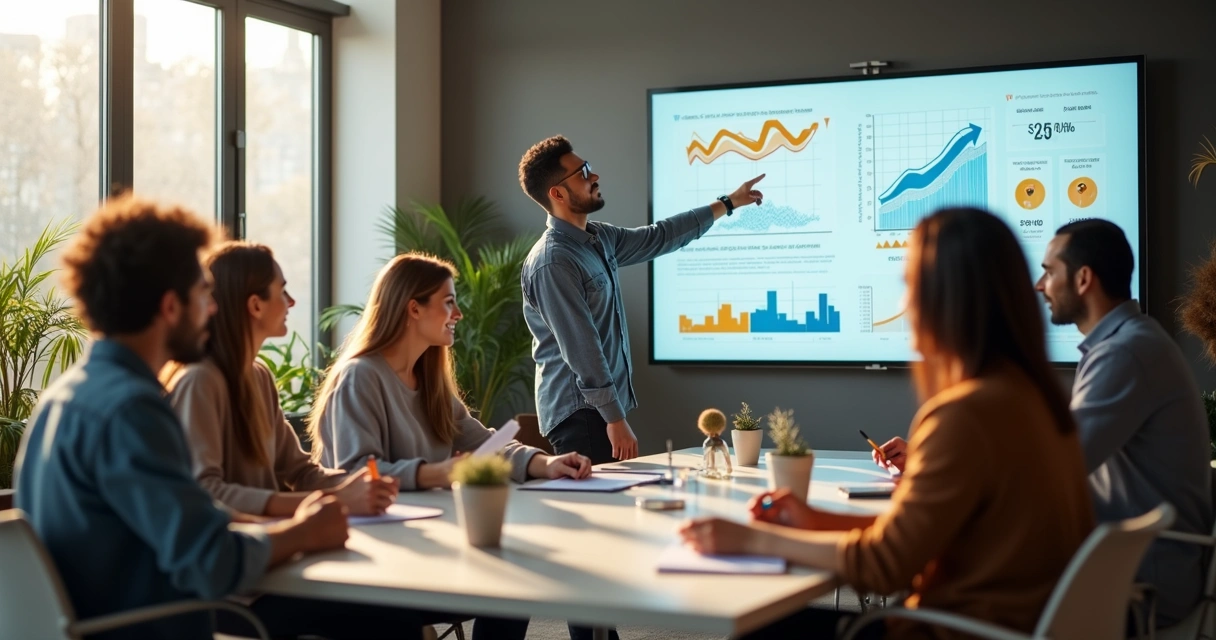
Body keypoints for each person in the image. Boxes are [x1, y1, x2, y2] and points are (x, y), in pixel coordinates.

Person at [681, 208, 1094, 639]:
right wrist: (813, 518)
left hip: (955, 631)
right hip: (1011, 626)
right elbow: (917, 537)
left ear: (945, 298)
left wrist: (748, 540)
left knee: (755, 626)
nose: (903, 305)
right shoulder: (1034, 400)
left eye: (909, 287)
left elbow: (885, 566)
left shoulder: (965, 414)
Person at [12, 196, 412, 640]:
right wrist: (300, 533)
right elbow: (212, 563)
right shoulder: (132, 410)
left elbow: (189, 523)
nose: (215, 308)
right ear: (170, 307)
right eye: (203, 293)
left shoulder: (65, 396)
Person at [311, 252, 595, 640]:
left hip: (431, 540)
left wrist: (546, 464)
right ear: (414, 309)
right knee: (512, 583)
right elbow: (356, 473)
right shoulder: (360, 377)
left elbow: (484, 445)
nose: (458, 313)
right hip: (383, 560)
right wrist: (437, 473)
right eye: (448, 302)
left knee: (519, 583)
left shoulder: (428, 379)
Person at [517, 135, 765, 465]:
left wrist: (728, 203)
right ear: (557, 193)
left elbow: (660, 236)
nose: (595, 176)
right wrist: (614, 420)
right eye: (583, 172)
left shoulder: (599, 238)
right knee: (603, 509)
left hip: (599, 413)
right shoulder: (553, 262)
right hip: (582, 415)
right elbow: (582, 348)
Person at [1034, 218, 1213, 627]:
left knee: (960, 594)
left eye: (1049, 271)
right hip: (1127, 565)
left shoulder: (1125, 354)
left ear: (1082, 279)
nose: (1039, 285)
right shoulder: (1126, 344)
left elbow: (1058, 466)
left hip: (1139, 583)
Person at [165, 241, 399, 519]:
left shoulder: (259, 375)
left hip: (266, 541)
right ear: (255, 305)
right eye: (282, 291)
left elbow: (300, 471)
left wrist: (356, 486)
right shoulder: (200, 381)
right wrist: (339, 500)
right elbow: (207, 492)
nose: (291, 302)